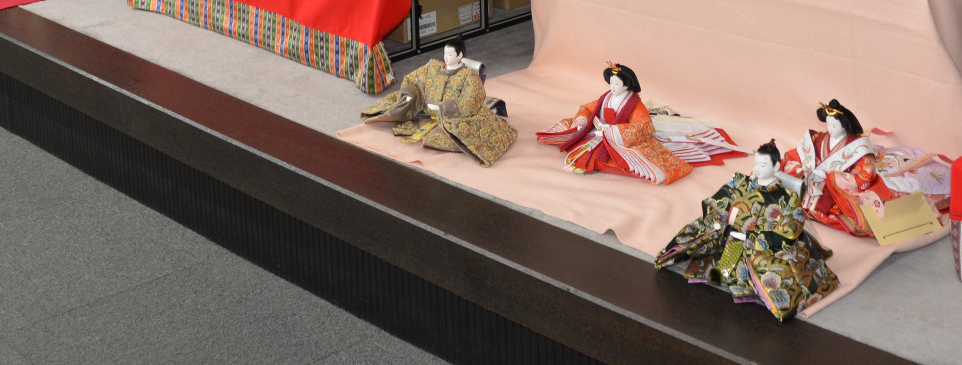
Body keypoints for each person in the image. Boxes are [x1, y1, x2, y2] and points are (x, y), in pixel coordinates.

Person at [655, 142, 839, 323]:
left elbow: (789, 229)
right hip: (728, 237)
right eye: (756, 163)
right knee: (698, 234)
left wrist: (751, 237)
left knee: (780, 274)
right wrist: (718, 221)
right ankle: (721, 266)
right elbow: (717, 202)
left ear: (776, 166)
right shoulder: (739, 181)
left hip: (760, 246)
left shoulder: (788, 198)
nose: (757, 168)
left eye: (763, 164)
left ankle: (743, 276)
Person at [535, 63, 744, 184]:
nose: (613, 86)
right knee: (576, 141)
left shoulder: (634, 104)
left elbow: (643, 126)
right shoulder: (606, 97)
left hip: (616, 136)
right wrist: (582, 121)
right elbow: (588, 108)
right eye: (611, 83)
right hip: (600, 132)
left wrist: (613, 131)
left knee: (614, 158)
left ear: (627, 85)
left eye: (617, 83)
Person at [359, 37, 517, 166]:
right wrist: (410, 94)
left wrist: (444, 107)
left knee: (469, 130)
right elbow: (414, 79)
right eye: (445, 54)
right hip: (424, 112)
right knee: (397, 104)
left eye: (450, 54)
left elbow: (472, 98)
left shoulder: (469, 76)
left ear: (460, 56)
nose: (446, 57)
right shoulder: (433, 67)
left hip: (452, 115)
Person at [778, 100, 900, 238]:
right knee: (786, 183)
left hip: (834, 194)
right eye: (828, 124)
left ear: (844, 125)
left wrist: (831, 178)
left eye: (834, 125)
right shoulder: (819, 138)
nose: (830, 128)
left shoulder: (859, 147)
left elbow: (866, 175)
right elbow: (798, 155)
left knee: (856, 220)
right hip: (810, 186)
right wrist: (799, 168)